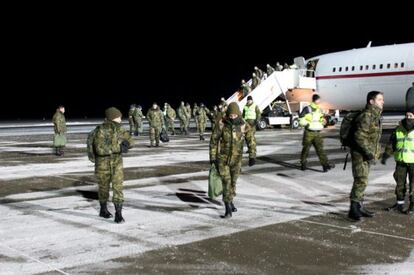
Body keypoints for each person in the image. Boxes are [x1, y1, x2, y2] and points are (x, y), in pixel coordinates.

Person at [87, 107, 133, 223]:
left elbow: (130, 140)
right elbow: (99, 149)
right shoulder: (100, 130)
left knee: (118, 187)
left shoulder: (120, 129)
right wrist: (118, 148)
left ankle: (119, 214)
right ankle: (103, 210)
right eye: (119, 116)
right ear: (113, 117)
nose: (120, 118)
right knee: (103, 188)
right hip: (103, 165)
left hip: (117, 164)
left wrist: (128, 144)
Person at [210, 102, 256, 218]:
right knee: (226, 182)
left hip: (237, 160)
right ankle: (227, 209)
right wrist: (213, 157)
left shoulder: (243, 125)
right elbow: (213, 141)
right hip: (223, 160)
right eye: (230, 116)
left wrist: (252, 155)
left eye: (235, 116)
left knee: (233, 183)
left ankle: (230, 201)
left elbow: (251, 140)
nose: (232, 118)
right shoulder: (222, 124)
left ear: (238, 114)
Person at [348, 91, 384, 221]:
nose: (382, 102)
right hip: (360, 154)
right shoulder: (367, 116)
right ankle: (353, 209)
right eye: (380, 99)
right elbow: (359, 137)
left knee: (363, 180)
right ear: (371, 101)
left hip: (367, 154)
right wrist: (368, 152)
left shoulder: (375, 115)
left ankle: (359, 206)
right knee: (361, 180)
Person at [382, 107, 414, 215]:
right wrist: (386, 155)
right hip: (401, 161)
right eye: (407, 115)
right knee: (400, 183)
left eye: (411, 116)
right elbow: (392, 144)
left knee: (413, 185)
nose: (408, 118)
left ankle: (412, 206)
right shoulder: (398, 129)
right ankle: (399, 204)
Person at [299, 94, 334, 172]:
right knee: (306, 149)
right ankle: (303, 164)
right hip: (309, 132)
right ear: (316, 100)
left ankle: (325, 165)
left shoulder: (319, 109)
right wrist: (306, 124)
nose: (320, 101)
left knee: (320, 150)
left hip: (317, 132)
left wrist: (323, 122)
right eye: (319, 100)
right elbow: (301, 119)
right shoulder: (307, 109)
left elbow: (320, 118)